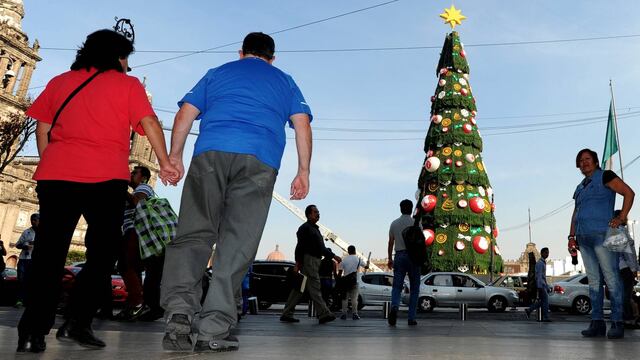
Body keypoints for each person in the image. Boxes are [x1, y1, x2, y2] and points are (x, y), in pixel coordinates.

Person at [16, 29, 177, 353]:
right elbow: (149, 123)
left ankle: (32, 331)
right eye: (125, 57)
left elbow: (43, 129)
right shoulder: (128, 85)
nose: (127, 64)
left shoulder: (60, 82)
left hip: (57, 176)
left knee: (48, 256)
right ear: (116, 56)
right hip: (105, 179)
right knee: (103, 255)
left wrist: (51, 163)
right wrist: (166, 161)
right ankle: (77, 321)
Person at [160, 32, 312, 353]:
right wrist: (303, 171)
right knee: (236, 245)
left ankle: (177, 319)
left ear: (241, 53)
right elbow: (302, 124)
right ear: (273, 58)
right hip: (259, 161)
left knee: (192, 236)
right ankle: (212, 329)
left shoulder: (218, 73)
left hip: (209, 156)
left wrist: (174, 157)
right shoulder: (285, 82)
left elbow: (185, 113)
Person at [569, 148, 635, 339]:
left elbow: (629, 193)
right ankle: (596, 323)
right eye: (580, 160)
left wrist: (621, 217)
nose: (584, 162)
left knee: (612, 279)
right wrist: (571, 236)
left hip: (603, 236)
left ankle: (617, 322)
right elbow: (575, 213)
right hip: (584, 238)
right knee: (594, 282)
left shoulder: (605, 176)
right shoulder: (580, 186)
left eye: (588, 159)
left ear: (596, 161)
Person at [115, 165, 164, 321]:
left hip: (135, 231)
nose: (131, 174)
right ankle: (134, 304)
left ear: (143, 177)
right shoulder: (138, 189)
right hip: (131, 231)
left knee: (125, 264)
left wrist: (121, 189)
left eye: (134, 173)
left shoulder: (144, 188)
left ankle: (137, 302)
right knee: (133, 268)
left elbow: (137, 203)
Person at [280, 205, 341, 324]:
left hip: (312, 261)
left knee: (299, 288)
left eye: (318, 212)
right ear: (309, 214)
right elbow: (302, 247)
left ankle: (287, 313)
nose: (318, 214)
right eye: (315, 212)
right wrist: (333, 256)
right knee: (315, 286)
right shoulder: (306, 229)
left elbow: (318, 248)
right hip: (310, 261)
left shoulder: (313, 229)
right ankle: (324, 314)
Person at [387, 199, 421, 326]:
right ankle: (411, 318)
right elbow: (421, 242)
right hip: (413, 257)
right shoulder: (416, 223)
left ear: (400, 209)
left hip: (399, 255)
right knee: (414, 288)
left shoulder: (394, 223)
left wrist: (390, 258)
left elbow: (390, 242)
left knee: (397, 286)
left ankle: (395, 307)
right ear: (411, 208)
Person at [14, 213, 39, 307]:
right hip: (24, 259)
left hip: (33, 260)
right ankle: (19, 300)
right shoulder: (26, 232)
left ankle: (27, 300)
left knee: (30, 281)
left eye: (35, 220)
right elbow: (17, 245)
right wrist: (24, 246)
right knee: (21, 280)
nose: (33, 222)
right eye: (32, 220)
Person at [339, 245, 367, 320]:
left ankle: (344, 314)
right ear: (355, 251)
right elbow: (366, 266)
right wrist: (368, 263)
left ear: (348, 251)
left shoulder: (344, 260)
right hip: (354, 281)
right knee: (354, 299)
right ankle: (354, 314)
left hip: (345, 282)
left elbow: (340, 271)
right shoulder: (358, 259)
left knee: (344, 298)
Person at [525, 247, 551, 322]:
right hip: (541, 285)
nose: (547, 254)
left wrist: (546, 286)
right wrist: (540, 286)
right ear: (542, 253)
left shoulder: (542, 263)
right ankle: (545, 317)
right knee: (545, 301)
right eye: (546, 252)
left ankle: (529, 310)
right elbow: (539, 276)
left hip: (543, 285)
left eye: (548, 253)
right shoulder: (540, 263)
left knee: (542, 301)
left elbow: (543, 276)